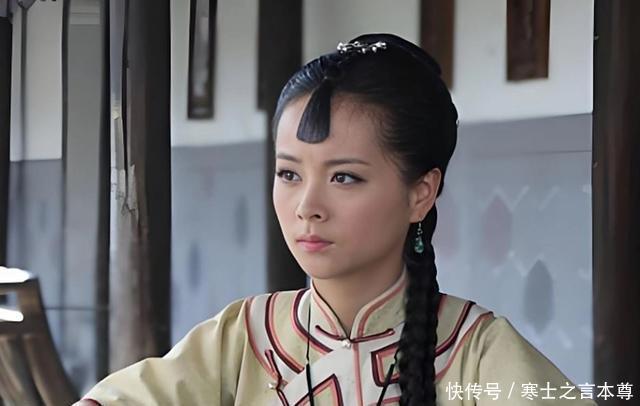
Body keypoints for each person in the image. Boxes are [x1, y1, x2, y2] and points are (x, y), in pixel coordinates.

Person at [76, 33, 598, 406]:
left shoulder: (476, 351)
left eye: (344, 177)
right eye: (289, 174)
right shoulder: (241, 339)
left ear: (421, 193)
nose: (307, 205)